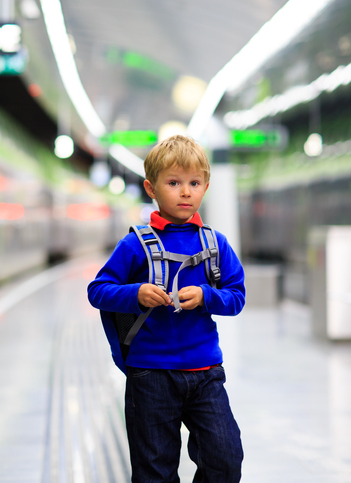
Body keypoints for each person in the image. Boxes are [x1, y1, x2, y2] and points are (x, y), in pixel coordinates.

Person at [87, 135, 245, 482]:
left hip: (206, 373)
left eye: (194, 183)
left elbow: (236, 297)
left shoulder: (216, 244)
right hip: (151, 375)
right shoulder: (134, 244)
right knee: (154, 470)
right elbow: (98, 291)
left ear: (206, 185)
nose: (185, 192)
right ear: (151, 188)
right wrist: (136, 293)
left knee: (225, 458)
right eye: (173, 183)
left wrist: (207, 296)